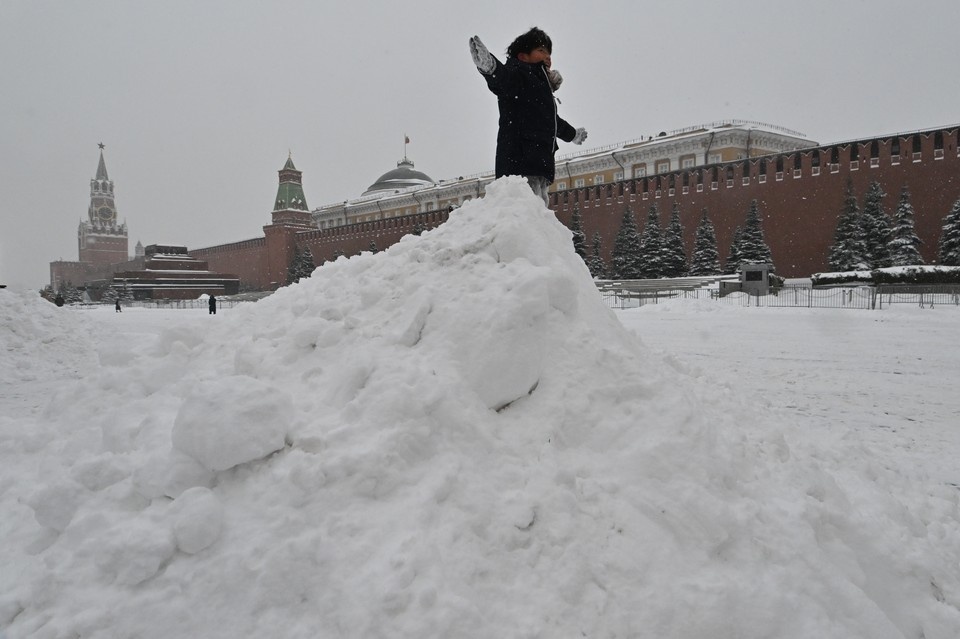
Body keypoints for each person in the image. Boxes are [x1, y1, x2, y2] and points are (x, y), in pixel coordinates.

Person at [469, 27, 587, 205]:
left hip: (539, 164)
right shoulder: (520, 76)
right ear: (523, 56)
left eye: (549, 53)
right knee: (524, 213)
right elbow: (503, 80)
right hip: (519, 162)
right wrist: (490, 67)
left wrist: (572, 134)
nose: (548, 56)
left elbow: (551, 121)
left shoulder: (540, 88)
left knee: (536, 215)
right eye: (541, 51)